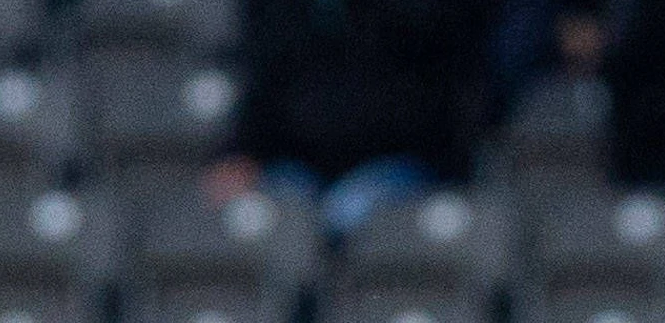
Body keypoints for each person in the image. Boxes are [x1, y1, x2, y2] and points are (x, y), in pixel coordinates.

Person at [205, 0, 496, 237]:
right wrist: (240, 153)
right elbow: (262, 81)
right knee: (261, 215)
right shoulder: (281, 10)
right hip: (296, 167)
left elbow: (448, 87)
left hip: (403, 165)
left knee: (347, 211)